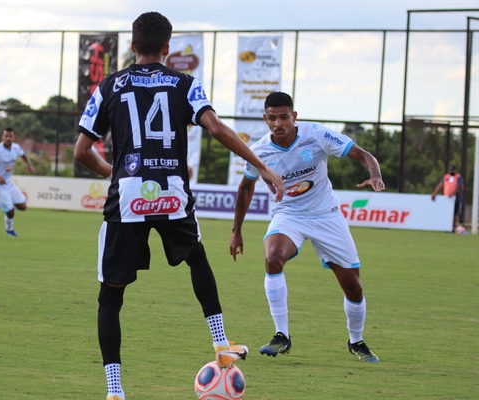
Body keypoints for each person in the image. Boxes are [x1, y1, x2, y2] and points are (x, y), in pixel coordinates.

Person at [74, 12, 284, 400]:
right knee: (197, 258)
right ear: (167, 49)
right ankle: (220, 343)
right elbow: (219, 129)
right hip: (171, 194)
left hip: (128, 199)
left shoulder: (108, 86)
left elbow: (82, 151)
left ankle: (115, 390)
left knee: (111, 296)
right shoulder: (184, 83)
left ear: (133, 45)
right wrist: (263, 168)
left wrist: (114, 172)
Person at [229, 92, 385, 363]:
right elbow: (246, 187)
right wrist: (236, 231)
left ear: (294, 117)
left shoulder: (317, 135)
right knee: (272, 257)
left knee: (353, 287)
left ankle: (356, 340)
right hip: (289, 215)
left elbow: (361, 154)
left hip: (327, 215)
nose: (279, 123)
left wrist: (374, 173)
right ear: (266, 119)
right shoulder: (259, 151)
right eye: (273, 118)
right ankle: (282, 336)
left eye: (284, 117)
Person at [0, 128, 34, 237]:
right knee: (10, 211)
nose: (8, 138)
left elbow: (23, 155)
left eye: (10, 136)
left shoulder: (16, 148)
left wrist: (29, 165)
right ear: (2, 137)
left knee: (23, 206)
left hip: (9, 182)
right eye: (6, 136)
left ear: (13, 138)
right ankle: (9, 230)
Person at [431, 165, 464, 232]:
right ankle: (447, 227)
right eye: (450, 170)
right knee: (448, 214)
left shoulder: (458, 177)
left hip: (455, 197)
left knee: (455, 213)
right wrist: (435, 193)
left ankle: (453, 228)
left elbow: (458, 186)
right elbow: (441, 185)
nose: (451, 171)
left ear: (455, 170)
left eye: (453, 170)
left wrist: (452, 194)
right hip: (447, 198)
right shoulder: (446, 177)